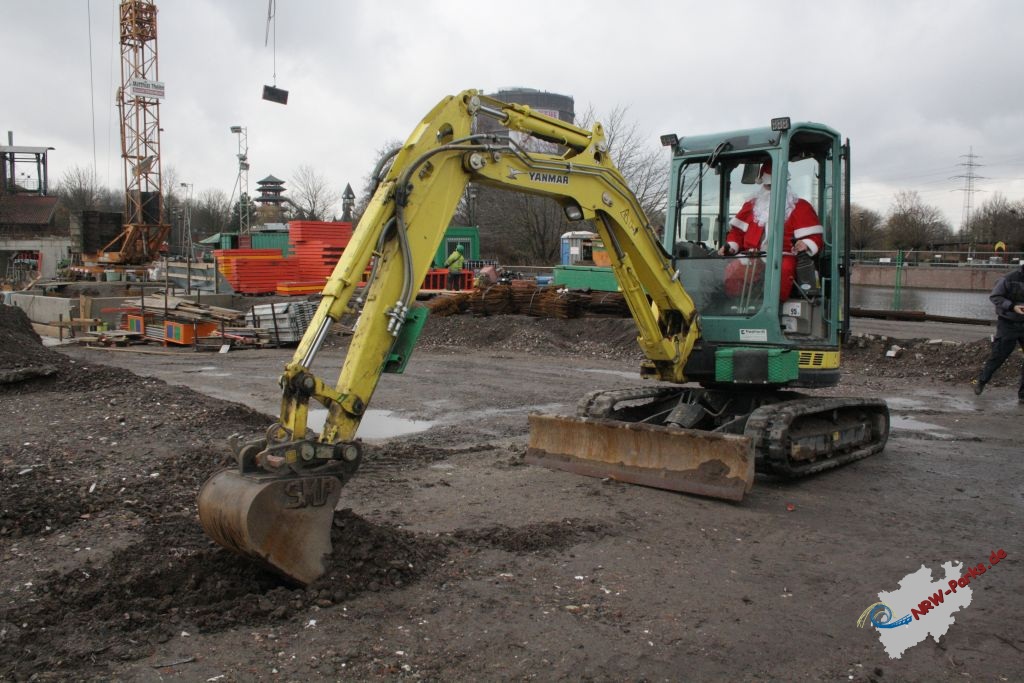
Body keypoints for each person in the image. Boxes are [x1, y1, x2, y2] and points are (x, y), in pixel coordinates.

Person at [719, 161, 824, 302]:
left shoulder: (800, 207)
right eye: (769, 186)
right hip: (752, 255)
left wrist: (805, 243)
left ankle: (771, 307)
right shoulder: (751, 206)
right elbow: (737, 233)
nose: (773, 190)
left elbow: (815, 236)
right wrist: (731, 246)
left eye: (776, 186)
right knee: (733, 271)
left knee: (782, 271)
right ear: (763, 185)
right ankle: (737, 305)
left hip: (783, 255)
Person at [973, 261, 1024, 403]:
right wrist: (1013, 307)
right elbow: (995, 297)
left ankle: (1023, 395)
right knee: (999, 355)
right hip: (1008, 322)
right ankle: (982, 381)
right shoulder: (1008, 279)